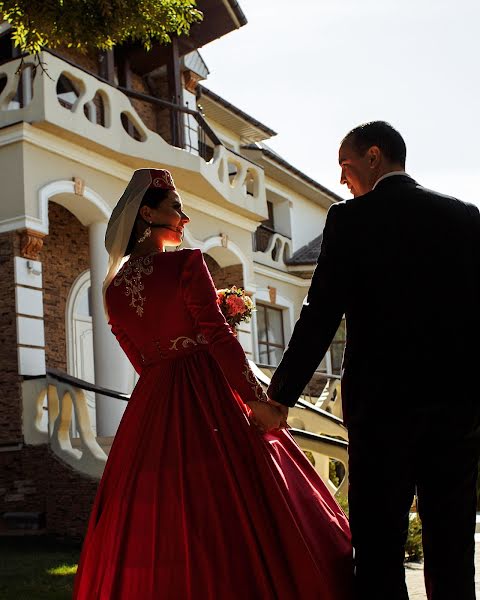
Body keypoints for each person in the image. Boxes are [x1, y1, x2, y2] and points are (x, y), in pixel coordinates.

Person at [73, 168, 353, 600]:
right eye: (176, 209)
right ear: (147, 214)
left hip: (153, 408)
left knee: (163, 512)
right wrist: (257, 400)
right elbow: (219, 337)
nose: (184, 219)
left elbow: (140, 360)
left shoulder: (112, 290)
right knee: (240, 503)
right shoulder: (188, 263)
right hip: (208, 395)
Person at [267, 121, 480, 600]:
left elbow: (319, 316)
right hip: (456, 415)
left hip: (382, 416)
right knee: (452, 549)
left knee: (379, 552)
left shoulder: (351, 220)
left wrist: (280, 396)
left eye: (345, 166)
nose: (343, 180)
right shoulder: (468, 219)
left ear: (373, 157)